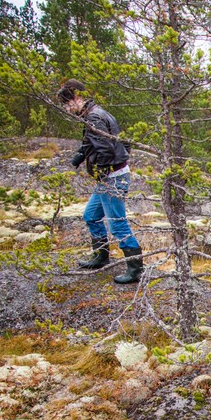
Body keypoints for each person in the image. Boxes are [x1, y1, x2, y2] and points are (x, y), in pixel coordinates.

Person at [57, 79, 143, 285]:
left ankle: (135, 268)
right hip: (111, 175)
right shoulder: (96, 113)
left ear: (77, 98)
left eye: (67, 104)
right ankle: (101, 256)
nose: (67, 110)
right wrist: (80, 155)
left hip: (111, 178)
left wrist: (101, 171)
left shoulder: (94, 117)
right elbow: (114, 141)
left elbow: (106, 149)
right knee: (91, 216)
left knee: (117, 224)